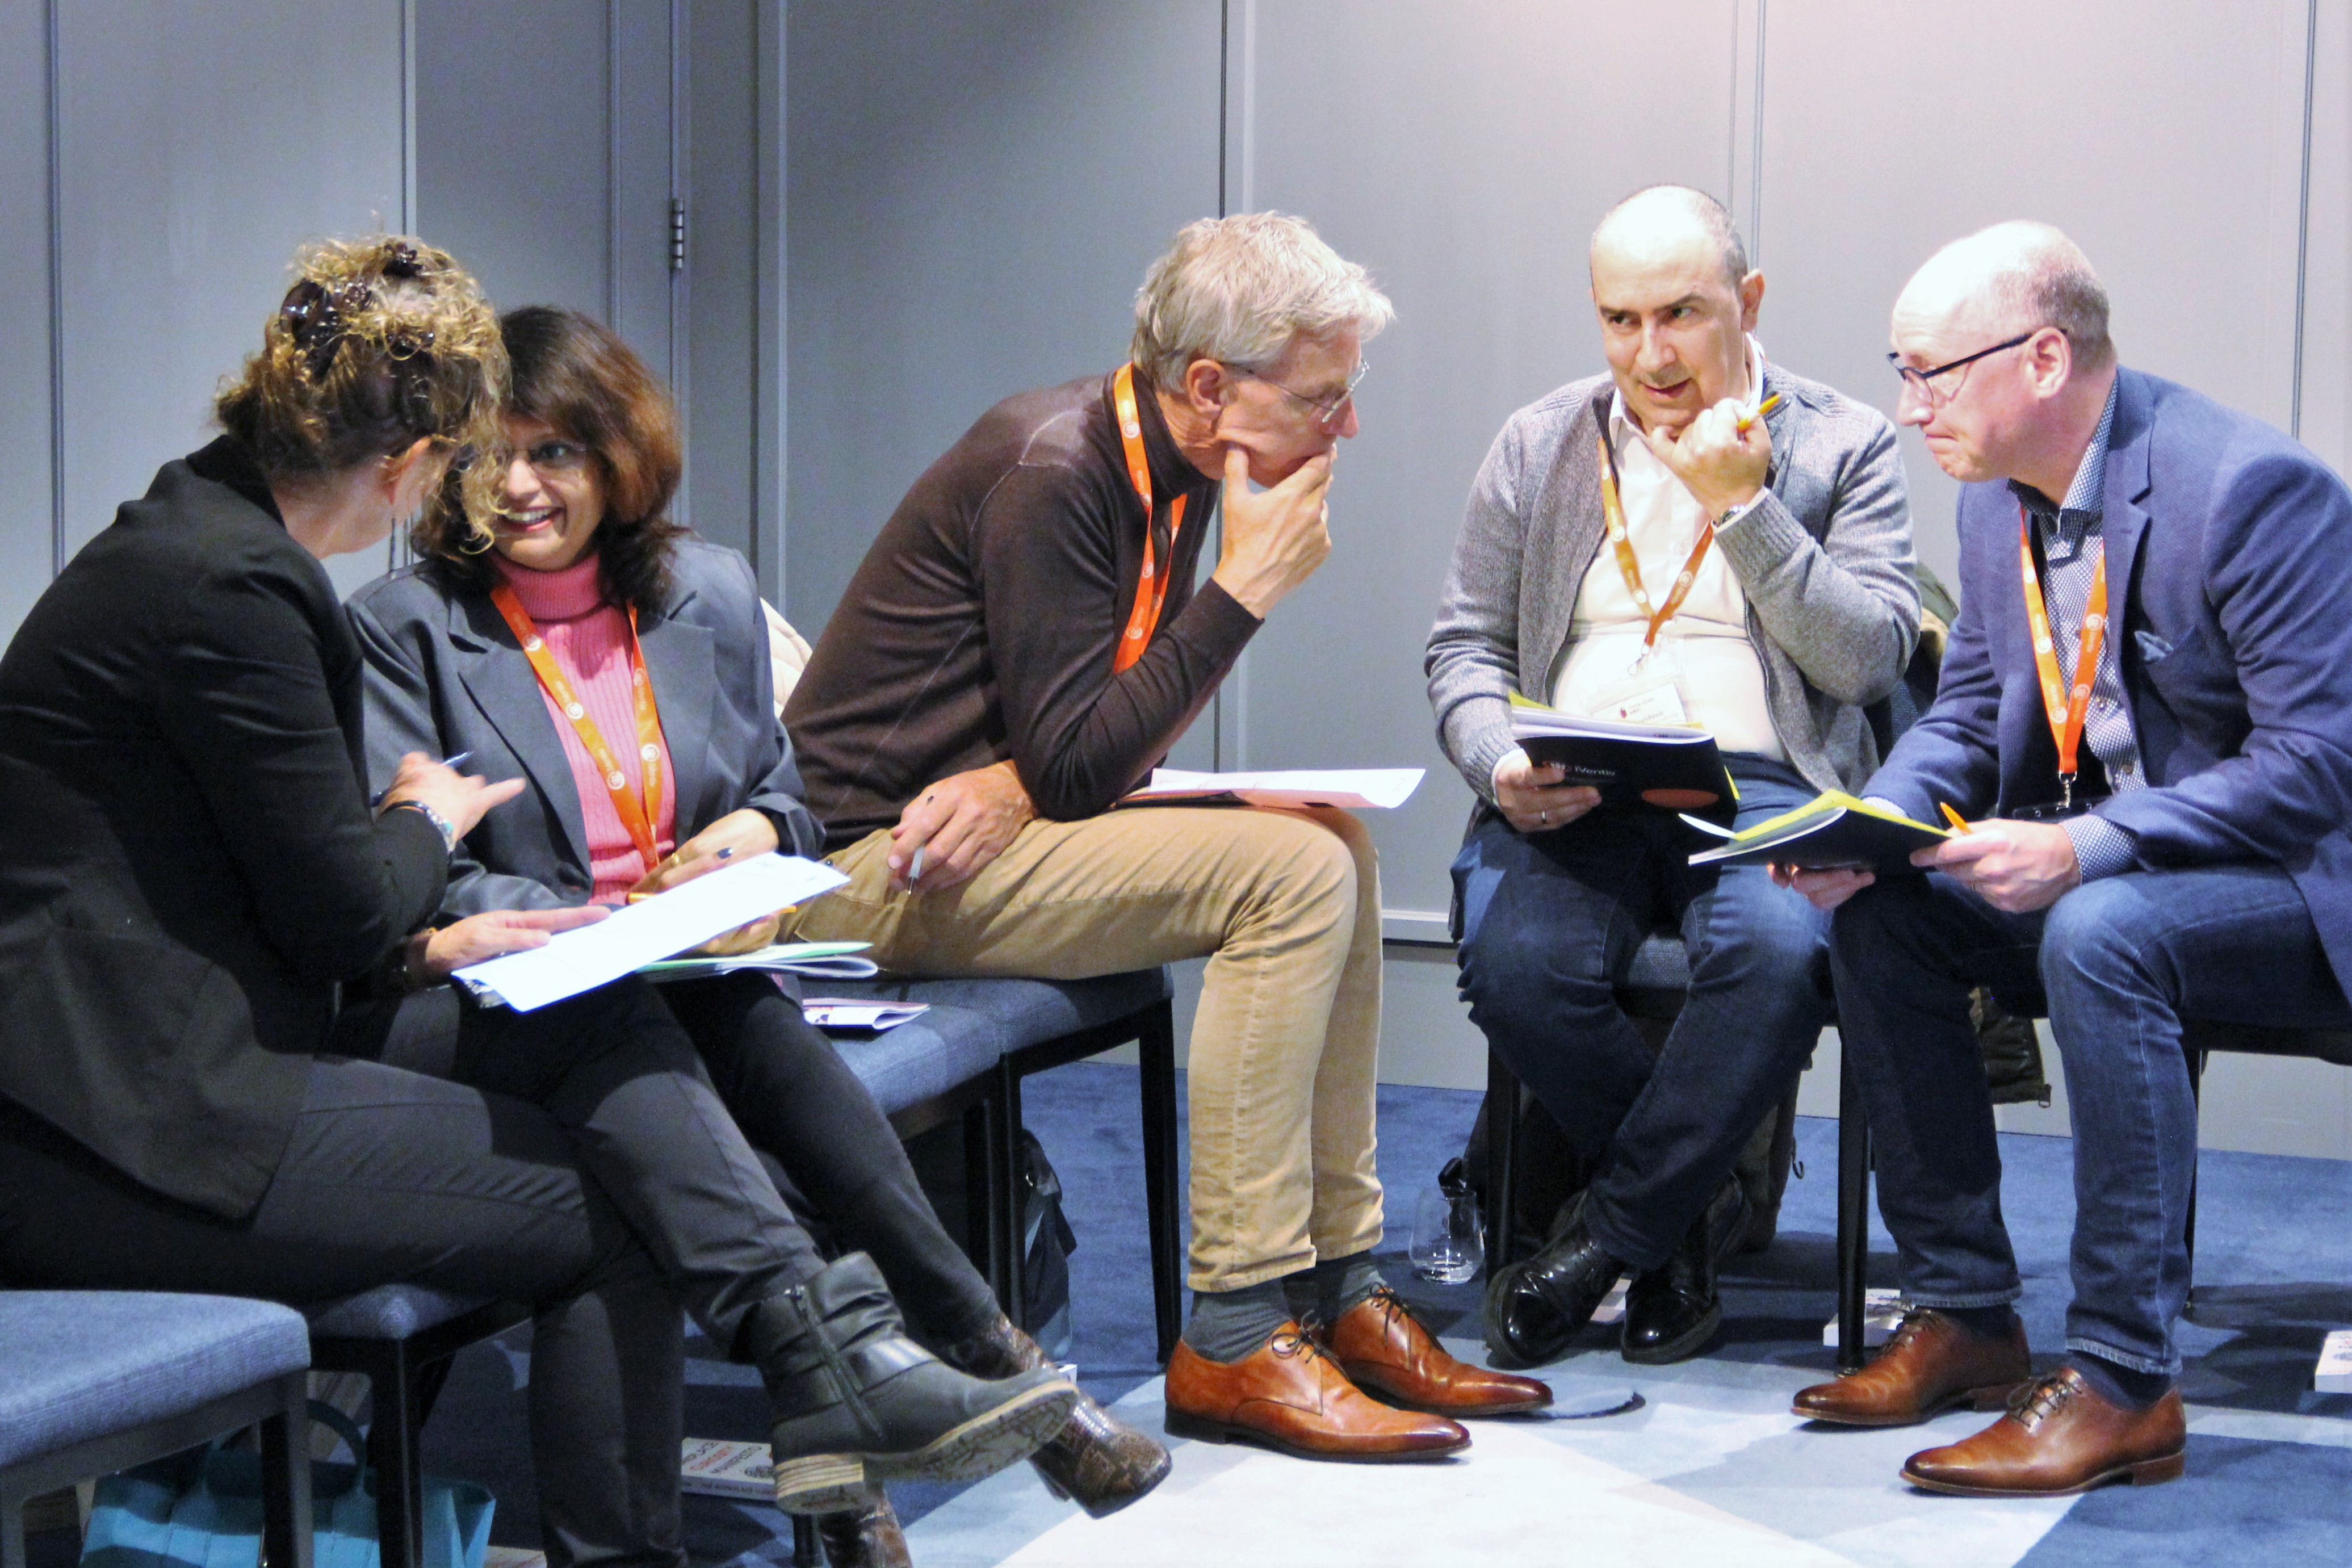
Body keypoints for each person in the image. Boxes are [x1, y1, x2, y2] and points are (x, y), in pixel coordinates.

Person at [0, 237, 1076, 1568]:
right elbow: (341, 915)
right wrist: (419, 823)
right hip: (120, 1118)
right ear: (404, 467)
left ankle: (830, 1350)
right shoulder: (239, 588)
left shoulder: (199, 533)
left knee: (597, 1005)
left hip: (205, 1035)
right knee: (609, 1209)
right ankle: (783, 1408)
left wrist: (432, 910)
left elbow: (296, 898)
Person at [349, 304, 1170, 1559]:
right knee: (727, 1063)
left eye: (555, 453)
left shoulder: (705, 592)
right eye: (485, 456)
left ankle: (931, 1408)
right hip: (528, 999)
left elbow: (781, 796)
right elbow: (418, 871)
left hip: (692, 966)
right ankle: (993, 1398)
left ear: (617, 462)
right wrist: (574, 923)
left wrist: (749, 843)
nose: (517, 486)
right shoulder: (403, 626)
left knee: (756, 1042)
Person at [783, 212, 1553, 1461]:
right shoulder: (1054, 468)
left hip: (980, 834)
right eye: (1322, 396)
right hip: (866, 863)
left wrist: (1017, 780)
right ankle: (1239, 1328)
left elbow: (1080, 747)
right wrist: (1241, 594)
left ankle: (1340, 1286)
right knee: (1290, 875)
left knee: (1331, 846)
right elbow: (1084, 757)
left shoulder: (1178, 463)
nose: (1343, 425)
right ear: (1207, 387)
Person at [1782, 222, 2352, 1496]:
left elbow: (2315, 764)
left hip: (2294, 886)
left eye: (1929, 372)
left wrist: (2087, 845)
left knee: (2104, 932)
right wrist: (1867, 829)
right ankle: (1966, 1310)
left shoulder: (2249, 490)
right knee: (1885, 916)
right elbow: (1965, 702)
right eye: (1900, 369)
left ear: (2041, 359)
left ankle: (2121, 1380)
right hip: (2105, 868)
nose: (1904, 403)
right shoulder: (1992, 499)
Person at [1426, 185, 1919, 1368]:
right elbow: (1463, 648)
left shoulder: (1839, 440)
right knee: (1514, 964)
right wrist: (1497, 761)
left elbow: (1864, 658)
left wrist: (1741, 510)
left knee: (1782, 952)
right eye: (1618, 319)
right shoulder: (1539, 441)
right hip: (1576, 782)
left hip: (1763, 783)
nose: (1647, 354)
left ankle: (1609, 1234)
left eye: (1681, 314)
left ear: (1745, 303)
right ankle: (1681, 1226)